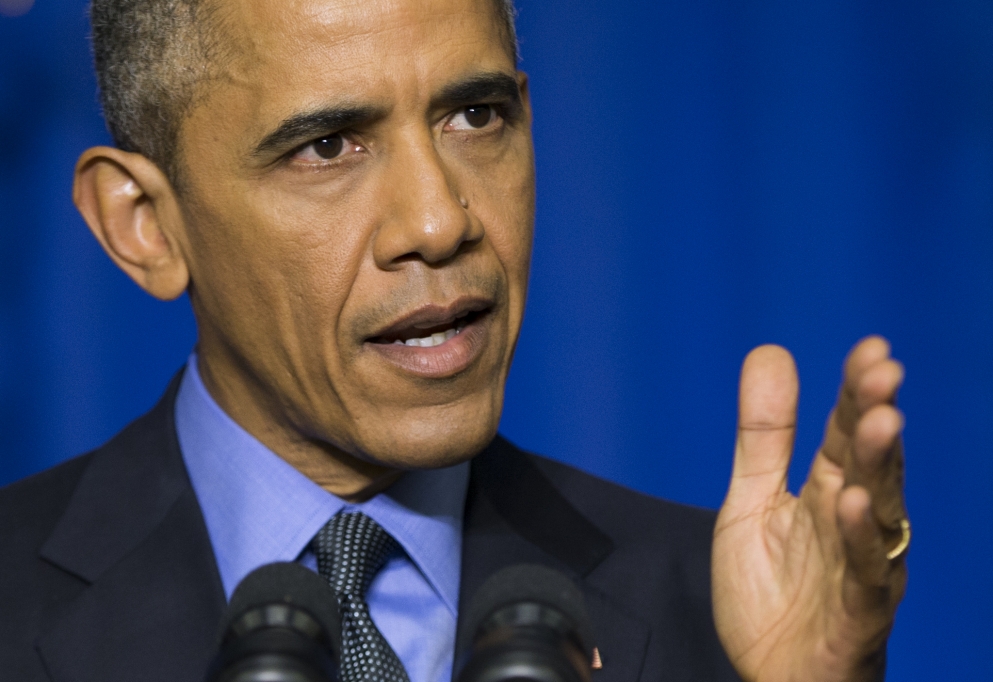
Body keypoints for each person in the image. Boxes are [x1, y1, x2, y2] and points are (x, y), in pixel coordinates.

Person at [0, 0, 910, 680]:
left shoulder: (712, 611)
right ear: (145, 226)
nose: (440, 223)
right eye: (327, 146)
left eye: (476, 117)